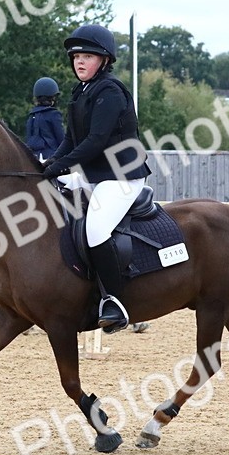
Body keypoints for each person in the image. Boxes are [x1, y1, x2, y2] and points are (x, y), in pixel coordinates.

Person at [42, 24, 152, 333]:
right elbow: (71, 139)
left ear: (103, 61)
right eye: (76, 56)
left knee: (95, 229)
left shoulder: (110, 91)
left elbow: (96, 141)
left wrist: (60, 166)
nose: (79, 61)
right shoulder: (81, 91)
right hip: (94, 176)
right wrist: (49, 165)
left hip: (121, 177)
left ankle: (114, 302)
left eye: (87, 56)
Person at [24, 77, 65, 160]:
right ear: (52, 97)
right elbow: (62, 139)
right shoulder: (54, 114)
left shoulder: (31, 116)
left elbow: (28, 138)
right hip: (51, 156)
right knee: (78, 171)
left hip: (32, 157)